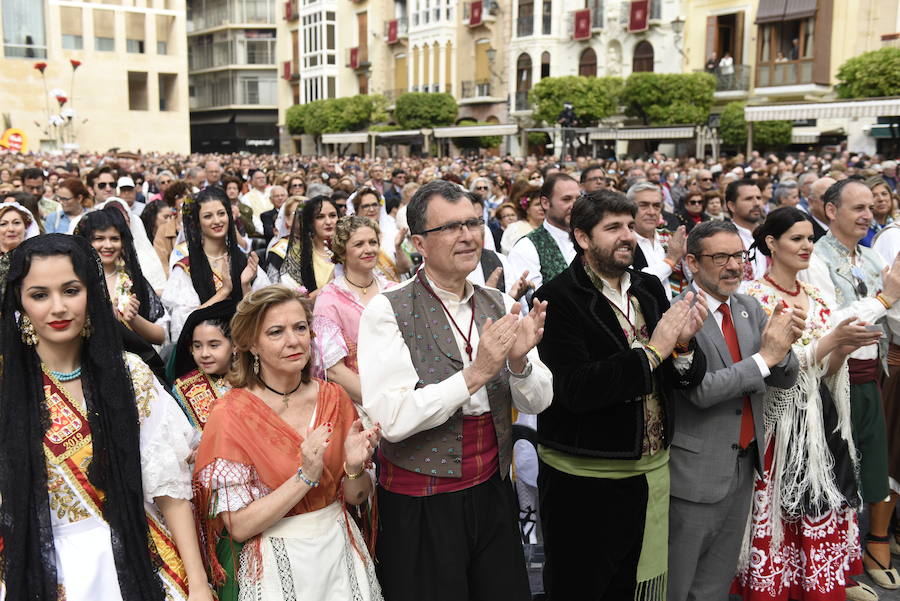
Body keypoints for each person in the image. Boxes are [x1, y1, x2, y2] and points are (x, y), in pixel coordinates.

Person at [358, 179, 553, 601]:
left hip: (494, 489)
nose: (467, 235)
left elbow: (540, 400)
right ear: (419, 243)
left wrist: (518, 364)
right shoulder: (388, 309)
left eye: (473, 223)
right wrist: (475, 374)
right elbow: (390, 420)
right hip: (423, 502)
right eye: (450, 227)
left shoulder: (497, 302)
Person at [0, 234, 211, 601]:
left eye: (70, 290)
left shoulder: (131, 376)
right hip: (44, 568)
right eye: (39, 295)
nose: (58, 307)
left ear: (92, 293)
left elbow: (168, 488)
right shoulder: (7, 389)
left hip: (138, 555)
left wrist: (197, 582)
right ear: (19, 301)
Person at [535, 190, 708, 600]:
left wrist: (682, 348)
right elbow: (574, 389)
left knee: (636, 585)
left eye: (630, 226)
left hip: (649, 472)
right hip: (584, 480)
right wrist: (652, 352)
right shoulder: (557, 297)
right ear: (582, 237)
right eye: (613, 228)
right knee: (583, 586)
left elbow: (679, 375)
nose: (627, 235)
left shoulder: (648, 287)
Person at [193, 285, 382, 601]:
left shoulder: (334, 397)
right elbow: (239, 526)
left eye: (300, 328)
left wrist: (352, 469)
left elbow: (356, 496)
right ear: (252, 344)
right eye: (276, 332)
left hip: (340, 555)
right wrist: (304, 477)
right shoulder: (231, 414)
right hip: (278, 566)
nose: (293, 341)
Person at [736, 207, 881, 601]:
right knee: (782, 507)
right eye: (796, 238)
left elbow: (826, 368)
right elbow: (767, 367)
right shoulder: (753, 297)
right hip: (780, 422)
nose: (806, 247)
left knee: (823, 500)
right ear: (771, 243)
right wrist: (829, 343)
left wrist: (842, 348)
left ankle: (818, 584)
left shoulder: (816, 294)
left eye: (810, 239)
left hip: (821, 417)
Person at [668, 220, 803, 601]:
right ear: (692, 262)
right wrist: (766, 357)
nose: (734, 266)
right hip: (694, 473)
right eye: (721, 257)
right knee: (678, 583)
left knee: (715, 583)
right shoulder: (680, 313)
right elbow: (700, 391)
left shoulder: (747, 306)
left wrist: (784, 341)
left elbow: (784, 376)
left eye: (740, 256)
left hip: (743, 466)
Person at [804, 178, 900, 593]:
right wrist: (883, 301)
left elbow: (894, 317)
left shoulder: (870, 257)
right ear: (830, 211)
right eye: (857, 208)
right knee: (836, 473)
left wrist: (888, 304)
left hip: (871, 374)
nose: (868, 215)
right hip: (832, 377)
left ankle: (863, 554)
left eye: (870, 208)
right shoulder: (815, 258)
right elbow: (833, 324)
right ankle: (838, 573)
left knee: (871, 469)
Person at [162, 186, 269, 344]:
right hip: (205, 354)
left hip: (244, 348)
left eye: (221, 213)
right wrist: (224, 292)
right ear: (197, 223)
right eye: (208, 216)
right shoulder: (186, 268)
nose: (217, 221)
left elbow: (265, 314)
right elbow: (183, 326)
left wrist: (245, 286)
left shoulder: (244, 261)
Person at [312, 215, 395, 406]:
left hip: (402, 390)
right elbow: (334, 370)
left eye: (373, 242)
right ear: (342, 251)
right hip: (359, 401)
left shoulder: (392, 289)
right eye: (359, 244)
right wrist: (382, 404)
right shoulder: (329, 300)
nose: (369, 249)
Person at [75, 206, 169, 346]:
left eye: (114, 239)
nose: (108, 245)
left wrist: (133, 318)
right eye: (99, 238)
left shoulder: (134, 279)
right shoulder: (74, 280)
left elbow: (161, 336)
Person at [508, 173, 580, 296]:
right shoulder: (526, 247)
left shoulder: (590, 238)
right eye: (566, 199)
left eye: (578, 199)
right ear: (545, 203)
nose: (574, 206)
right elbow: (528, 304)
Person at [170, 301, 236, 431]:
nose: (204, 354)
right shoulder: (185, 388)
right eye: (197, 346)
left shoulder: (254, 379)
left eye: (214, 345)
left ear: (235, 345)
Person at [629, 181, 689, 298]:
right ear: (629, 207)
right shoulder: (623, 242)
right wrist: (671, 260)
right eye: (644, 205)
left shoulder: (670, 237)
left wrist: (690, 255)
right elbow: (634, 282)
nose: (651, 212)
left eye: (656, 206)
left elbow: (693, 279)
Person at [276, 195, 338, 295]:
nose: (328, 222)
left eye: (332, 215)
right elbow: (292, 297)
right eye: (320, 217)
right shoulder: (298, 255)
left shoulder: (349, 250)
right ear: (310, 222)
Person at [349, 186, 411, 280]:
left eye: (375, 205)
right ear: (356, 210)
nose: (371, 209)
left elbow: (405, 269)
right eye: (366, 206)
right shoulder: (350, 239)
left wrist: (398, 247)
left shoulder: (394, 234)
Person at [726, 179, 768, 282]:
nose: (757, 203)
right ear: (732, 206)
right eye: (749, 199)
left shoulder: (770, 234)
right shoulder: (725, 237)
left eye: (759, 198)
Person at [862, 176, 895, 247]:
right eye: (874, 195)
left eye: (884, 194)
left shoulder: (896, 225)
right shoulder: (860, 231)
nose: (881, 199)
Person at [808, 177, 836, 242]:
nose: (832, 202)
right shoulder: (805, 231)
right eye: (826, 198)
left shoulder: (847, 228)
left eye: (836, 197)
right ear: (811, 202)